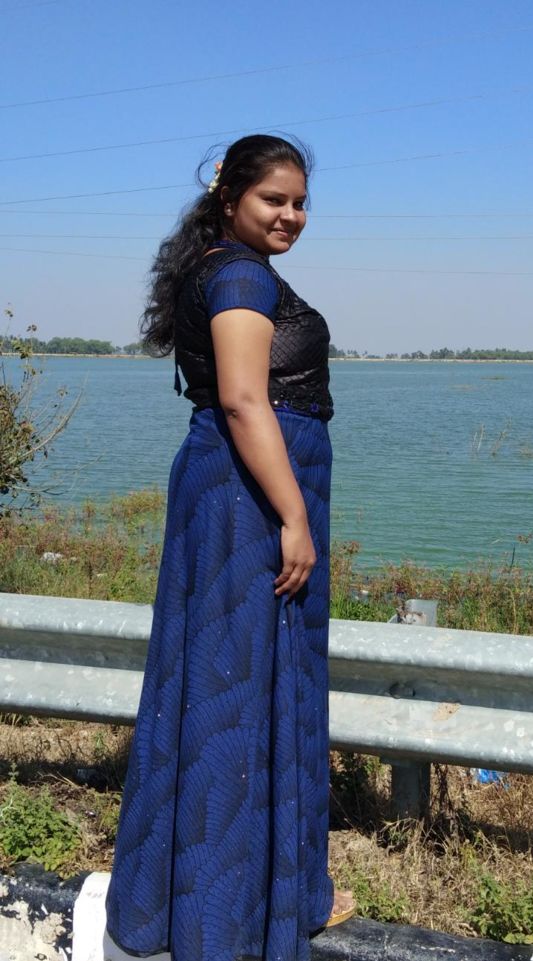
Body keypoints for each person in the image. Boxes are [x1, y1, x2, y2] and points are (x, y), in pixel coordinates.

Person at [105, 134, 355, 961]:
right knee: (241, 691)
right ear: (230, 199)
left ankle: (237, 898)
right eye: (273, 199)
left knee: (231, 682)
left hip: (238, 487)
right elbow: (247, 402)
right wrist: (293, 515)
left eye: (300, 202)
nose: (291, 215)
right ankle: (231, 916)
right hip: (253, 495)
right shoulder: (242, 276)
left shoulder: (225, 267)